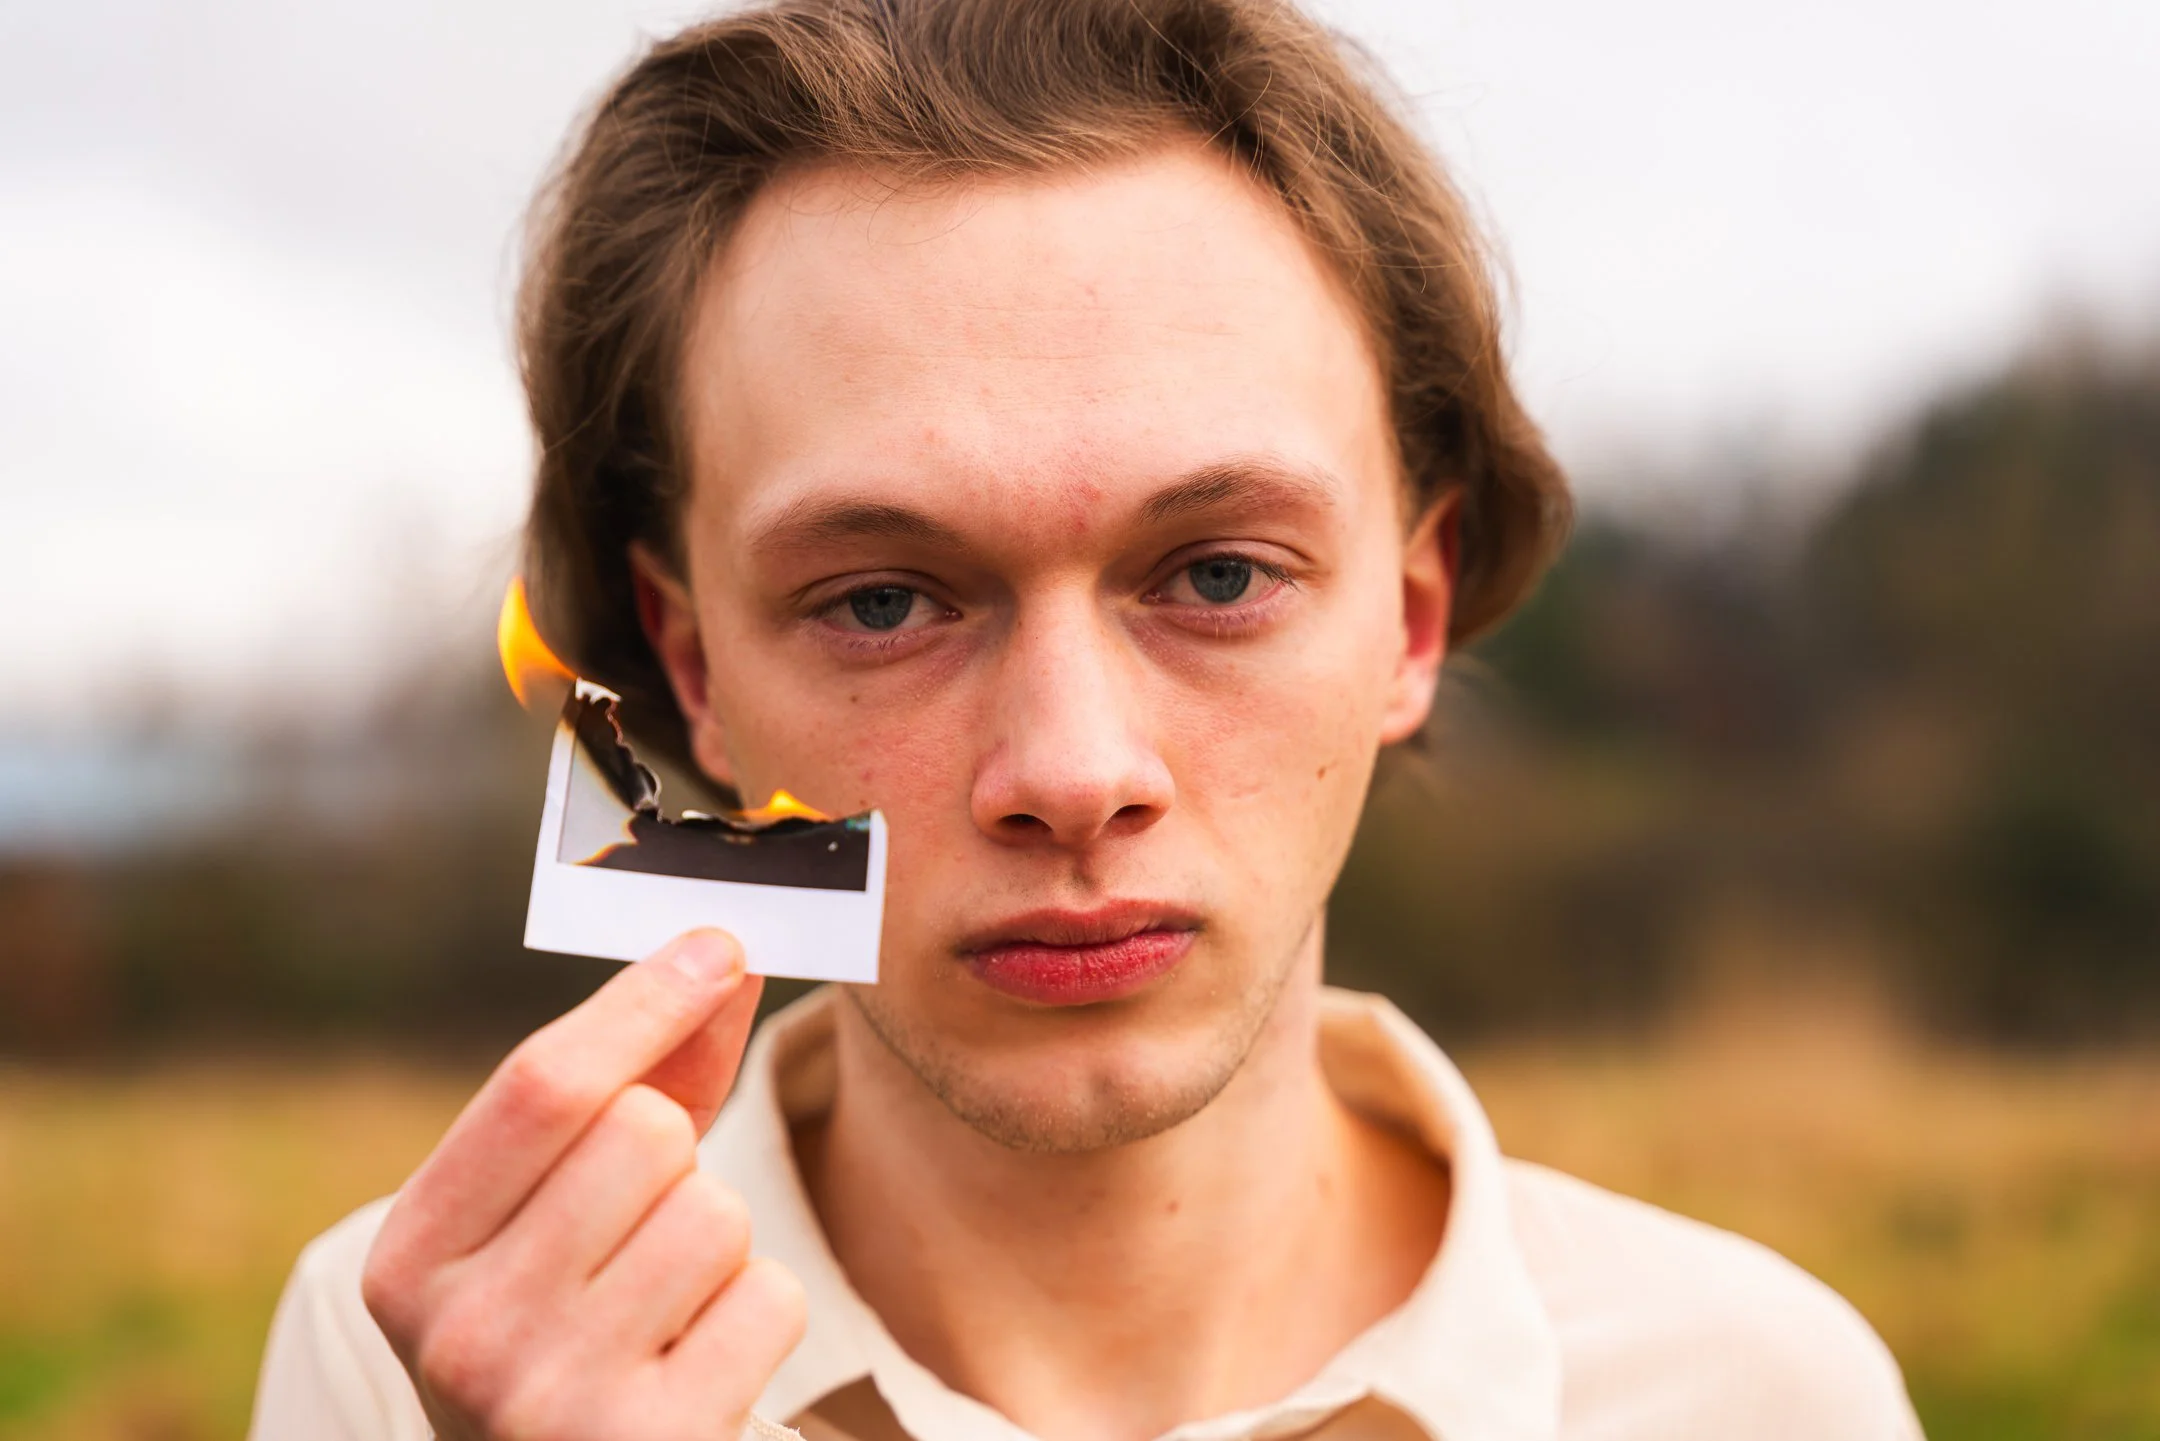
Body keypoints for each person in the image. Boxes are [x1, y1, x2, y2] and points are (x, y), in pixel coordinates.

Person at [251, 1, 1925, 1437]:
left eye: (1214, 576)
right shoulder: (420, 1356)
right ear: (692, 671)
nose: (1068, 772)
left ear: (1408, 618)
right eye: (884, 601)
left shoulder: (1758, 1395)